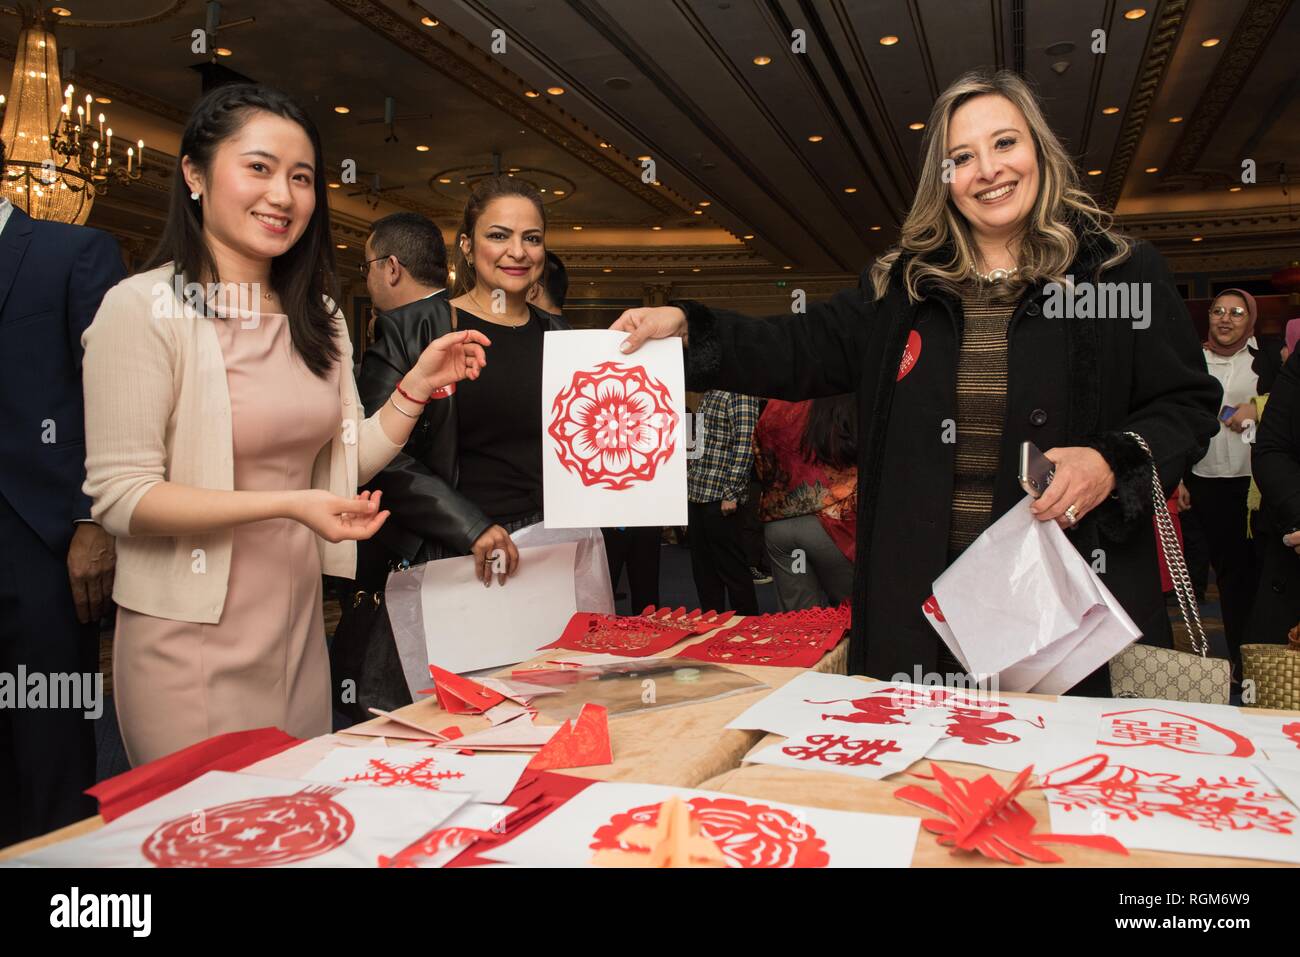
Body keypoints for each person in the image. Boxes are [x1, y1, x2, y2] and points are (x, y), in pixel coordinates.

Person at [614, 68, 1220, 694]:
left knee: (1055, 783)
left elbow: (1187, 403)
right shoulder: (901, 288)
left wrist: (1106, 461)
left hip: (1062, 599)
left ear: (1039, 150)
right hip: (922, 606)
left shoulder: (1118, 273)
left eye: (1005, 143)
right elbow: (795, 346)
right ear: (945, 178)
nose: (989, 169)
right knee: (925, 779)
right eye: (963, 156)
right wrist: (689, 328)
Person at [80, 84, 488, 765]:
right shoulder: (141, 308)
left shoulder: (318, 314)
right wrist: (291, 505)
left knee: (299, 827)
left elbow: (342, 464)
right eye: (259, 168)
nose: (284, 194)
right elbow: (124, 499)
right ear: (194, 174)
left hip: (297, 633)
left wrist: (414, 387)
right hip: (189, 639)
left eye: (301, 178)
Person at [344, 176, 569, 716]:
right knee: (444, 724)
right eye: (499, 235)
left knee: (545, 716)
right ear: (466, 246)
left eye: (532, 238)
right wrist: (471, 526)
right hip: (448, 552)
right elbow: (379, 451)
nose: (518, 252)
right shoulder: (411, 328)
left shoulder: (561, 336)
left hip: (548, 551)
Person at [0, 136, 126, 843]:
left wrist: (93, 518)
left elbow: (113, 392)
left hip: (42, 542)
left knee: (50, 750)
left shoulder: (71, 251)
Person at [1176, 289, 1279, 673]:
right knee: (1230, 578)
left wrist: (1257, 408)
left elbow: (1285, 410)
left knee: (1262, 578)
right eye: (1218, 311)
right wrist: (1179, 477)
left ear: (1249, 319)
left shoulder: (1267, 361)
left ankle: (1264, 662)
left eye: (1236, 313)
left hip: (1256, 487)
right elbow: (1178, 420)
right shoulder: (1192, 362)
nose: (1225, 318)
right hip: (1206, 483)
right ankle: (1238, 664)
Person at [753, 396, 858, 610]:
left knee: (801, 626)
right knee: (854, 617)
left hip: (779, 526)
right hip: (832, 524)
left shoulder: (776, 403)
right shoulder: (841, 398)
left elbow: (760, 462)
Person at [687, 390, 762, 615]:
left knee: (732, 569)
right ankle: (712, 625)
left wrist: (732, 492)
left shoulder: (740, 392)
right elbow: (698, 442)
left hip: (721, 497)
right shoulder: (709, 393)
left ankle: (747, 627)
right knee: (703, 570)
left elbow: (745, 442)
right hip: (697, 492)